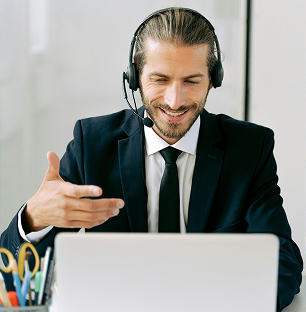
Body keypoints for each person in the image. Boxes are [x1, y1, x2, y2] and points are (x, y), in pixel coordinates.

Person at [0, 7, 303, 311]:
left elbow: (284, 264)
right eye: (160, 79)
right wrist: (33, 219)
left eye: (192, 81)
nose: (175, 100)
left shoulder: (250, 149)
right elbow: (14, 280)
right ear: (134, 78)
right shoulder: (91, 145)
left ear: (214, 79)